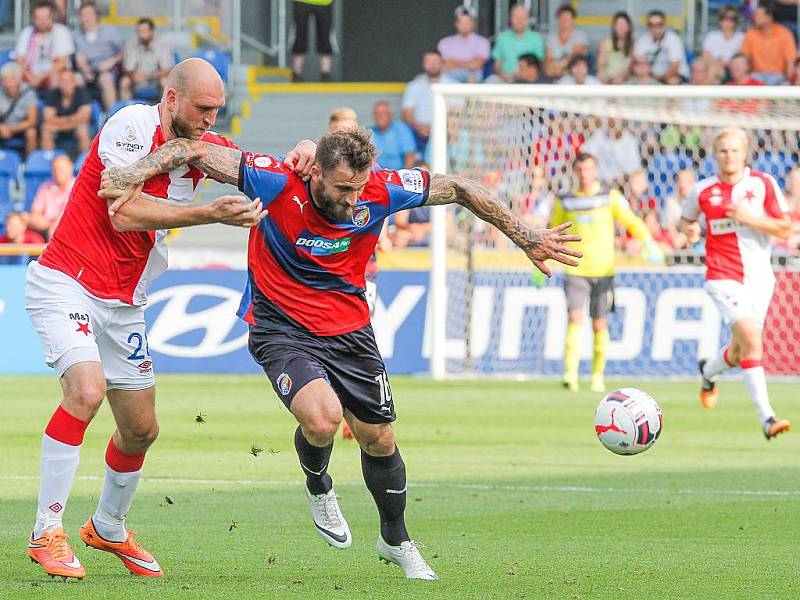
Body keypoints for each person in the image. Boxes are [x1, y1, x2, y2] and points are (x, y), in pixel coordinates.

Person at [101, 129, 581, 581]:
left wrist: (526, 235)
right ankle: (318, 484)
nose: (353, 200)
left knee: (379, 439)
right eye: (343, 188)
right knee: (324, 419)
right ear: (314, 173)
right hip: (281, 328)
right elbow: (192, 149)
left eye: (359, 188)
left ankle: (396, 540)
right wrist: (130, 173)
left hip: (350, 332)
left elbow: (456, 187)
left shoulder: (382, 189)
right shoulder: (274, 179)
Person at [23, 58, 316, 581]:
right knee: (86, 392)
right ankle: (47, 530)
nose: (210, 118)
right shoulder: (131, 127)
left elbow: (266, 171)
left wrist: (302, 154)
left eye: (217, 110)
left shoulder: (205, 148)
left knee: (140, 429)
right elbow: (122, 210)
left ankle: (108, 528)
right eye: (202, 108)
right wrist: (208, 213)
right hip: (68, 280)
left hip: (125, 302)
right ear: (173, 98)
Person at [682, 127, 791, 440]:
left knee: (743, 347)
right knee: (752, 340)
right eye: (723, 151)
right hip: (721, 277)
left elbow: (784, 228)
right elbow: (687, 221)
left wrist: (749, 218)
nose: (729, 156)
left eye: (734, 150)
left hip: (760, 279)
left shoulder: (763, 184)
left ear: (745, 153)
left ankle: (708, 371)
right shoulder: (702, 191)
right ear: (715, 155)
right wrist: (689, 232)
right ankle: (767, 418)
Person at [546, 153, 660, 393]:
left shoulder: (609, 197)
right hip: (575, 268)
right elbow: (553, 232)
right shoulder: (565, 200)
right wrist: (540, 261)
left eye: (589, 169)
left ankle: (597, 376)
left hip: (604, 270)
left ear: (595, 171)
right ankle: (570, 373)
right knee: (574, 319)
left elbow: (631, 220)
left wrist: (648, 242)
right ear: (574, 172)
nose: (585, 174)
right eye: (580, 170)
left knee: (599, 323)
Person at [73, 0, 124, 111]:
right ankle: (81, 117)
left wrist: (111, 61)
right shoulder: (77, 34)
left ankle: (112, 116)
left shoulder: (110, 31)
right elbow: (79, 57)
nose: (87, 18)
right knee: (75, 79)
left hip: (108, 70)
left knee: (105, 79)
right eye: (83, 15)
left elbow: (123, 53)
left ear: (96, 15)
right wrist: (85, 69)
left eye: (90, 14)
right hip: (88, 71)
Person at [401, 50, 455, 152]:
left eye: (435, 61)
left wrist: (439, 128)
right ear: (423, 64)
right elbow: (407, 114)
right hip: (417, 132)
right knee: (401, 129)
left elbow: (457, 114)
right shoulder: (414, 86)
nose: (432, 65)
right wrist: (419, 127)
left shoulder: (453, 85)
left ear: (442, 63)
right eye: (428, 62)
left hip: (446, 131)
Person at [15, 0, 74, 92]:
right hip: (30, 74)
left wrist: (40, 78)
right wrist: (30, 77)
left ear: (52, 17)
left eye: (45, 17)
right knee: (10, 76)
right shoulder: (26, 32)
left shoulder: (62, 31)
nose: (42, 21)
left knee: (58, 78)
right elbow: (19, 60)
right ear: (33, 18)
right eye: (39, 18)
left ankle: (53, 105)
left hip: (52, 75)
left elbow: (62, 63)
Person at [740, 2, 797, 85]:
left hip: (778, 77)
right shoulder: (750, 34)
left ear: (769, 17)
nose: (755, 17)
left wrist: (788, 80)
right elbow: (744, 58)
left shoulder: (784, 33)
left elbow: (790, 61)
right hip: (756, 75)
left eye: (758, 15)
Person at [120, 18, 174, 101]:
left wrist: (149, 76)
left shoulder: (163, 44)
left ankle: (165, 110)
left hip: (156, 79)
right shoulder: (131, 44)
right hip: (137, 80)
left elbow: (167, 68)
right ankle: (126, 109)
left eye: (145, 31)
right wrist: (134, 74)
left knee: (165, 82)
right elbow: (128, 68)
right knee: (125, 81)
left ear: (152, 31)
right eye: (139, 31)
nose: (142, 34)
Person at [41, 69, 92, 154]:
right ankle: (48, 161)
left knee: (82, 130)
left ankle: (85, 162)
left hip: (72, 127)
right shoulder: (53, 94)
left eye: (68, 81)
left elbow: (84, 118)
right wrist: (72, 120)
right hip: (66, 126)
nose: (65, 85)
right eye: (62, 81)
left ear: (74, 82)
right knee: (46, 129)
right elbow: (48, 119)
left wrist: (60, 126)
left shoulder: (82, 93)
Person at [491, 3, 545, 82]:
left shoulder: (536, 38)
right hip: (505, 78)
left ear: (528, 19)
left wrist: (525, 75)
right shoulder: (502, 37)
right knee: (491, 82)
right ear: (510, 19)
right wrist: (502, 75)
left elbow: (540, 64)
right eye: (516, 16)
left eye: (522, 17)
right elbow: (497, 65)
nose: (519, 20)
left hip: (529, 80)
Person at [437, 5, 490, 83]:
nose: (464, 26)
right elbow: (444, 65)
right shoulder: (445, 42)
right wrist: (468, 63)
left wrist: (454, 62)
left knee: (472, 78)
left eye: (468, 22)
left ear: (474, 24)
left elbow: (476, 65)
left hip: (472, 77)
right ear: (456, 23)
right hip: (449, 77)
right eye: (461, 22)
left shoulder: (483, 42)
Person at [633, 10, 689, 84]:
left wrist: (654, 79)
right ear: (647, 25)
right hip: (651, 76)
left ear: (664, 25)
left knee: (672, 81)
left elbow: (675, 67)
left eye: (659, 24)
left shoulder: (673, 39)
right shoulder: (642, 40)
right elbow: (638, 63)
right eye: (651, 24)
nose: (655, 28)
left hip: (675, 75)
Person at [580, 118, 640, 184]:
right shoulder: (598, 136)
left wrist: (614, 181)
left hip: (621, 185)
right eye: (610, 119)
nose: (612, 122)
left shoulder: (630, 142)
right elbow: (584, 156)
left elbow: (633, 172)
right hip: (598, 183)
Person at [28, 154, 74, 238]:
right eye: (54, 169)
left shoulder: (77, 186)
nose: (57, 172)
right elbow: (34, 215)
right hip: (46, 230)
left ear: (70, 169)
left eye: (60, 169)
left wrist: (56, 226)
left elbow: (73, 216)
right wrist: (52, 225)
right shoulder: (45, 186)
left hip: (71, 231)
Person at [0, 62, 39, 154]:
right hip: (3, 126)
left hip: (22, 127)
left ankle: (30, 163)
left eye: (11, 79)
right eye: (5, 80)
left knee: (31, 133)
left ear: (19, 79)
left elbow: (32, 121)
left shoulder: (28, 92)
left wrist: (10, 129)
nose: (8, 83)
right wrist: (1, 128)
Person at [291, 0, 334, 82]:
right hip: (301, 2)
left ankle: (326, 74)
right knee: (299, 33)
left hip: (324, 2)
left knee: (325, 33)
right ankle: (296, 73)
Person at [544, 4, 589, 80]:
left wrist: (560, 68)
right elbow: (548, 58)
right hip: (554, 72)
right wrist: (550, 69)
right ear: (558, 19)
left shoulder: (580, 35)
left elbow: (575, 55)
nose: (564, 21)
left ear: (573, 20)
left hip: (573, 73)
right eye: (562, 18)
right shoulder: (551, 37)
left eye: (567, 18)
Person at [368, 101, 416, 171]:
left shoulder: (401, 130)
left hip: (396, 176)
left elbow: (410, 157)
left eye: (383, 113)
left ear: (390, 115)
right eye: (376, 113)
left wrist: (404, 177)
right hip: (374, 176)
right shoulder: (369, 131)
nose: (379, 116)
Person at [701, 5, 744, 83]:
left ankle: (702, 94)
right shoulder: (712, 35)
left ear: (736, 21)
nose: (728, 21)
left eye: (732, 18)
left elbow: (740, 59)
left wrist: (723, 63)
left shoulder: (741, 37)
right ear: (720, 20)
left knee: (713, 71)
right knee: (714, 75)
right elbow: (705, 56)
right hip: (714, 67)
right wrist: (717, 63)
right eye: (725, 18)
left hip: (732, 69)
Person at [596, 11, 634, 84]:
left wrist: (620, 76)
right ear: (614, 26)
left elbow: (630, 65)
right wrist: (604, 74)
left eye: (623, 24)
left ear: (629, 26)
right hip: (608, 76)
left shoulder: (633, 43)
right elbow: (601, 64)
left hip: (625, 78)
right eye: (618, 24)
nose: (620, 27)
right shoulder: (605, 42)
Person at [661, 168, 694, 249]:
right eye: (680, 180)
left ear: (693, 182)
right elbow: (670, 226)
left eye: (686, 180)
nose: (682, 184)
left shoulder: (698, 198)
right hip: (678, 237)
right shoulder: (671, 200)